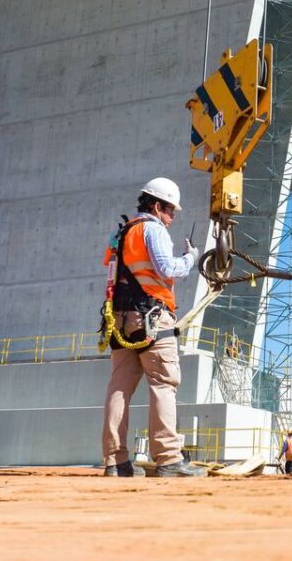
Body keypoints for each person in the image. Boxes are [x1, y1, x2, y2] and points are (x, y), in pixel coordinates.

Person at [101, 177, 207, 478]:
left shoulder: (121, 233)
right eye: (170, 210)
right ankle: (169, 459)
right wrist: (190, 257)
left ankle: (115, 461)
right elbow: (166, 268)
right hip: (152, 318)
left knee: (119, 388)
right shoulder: (153, 229)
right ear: (157, 205)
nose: (172, 217)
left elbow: (112, 268)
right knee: (163, 384)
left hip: (119, 319)